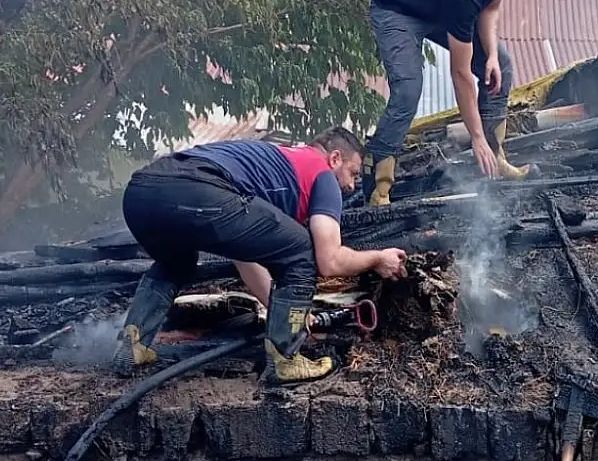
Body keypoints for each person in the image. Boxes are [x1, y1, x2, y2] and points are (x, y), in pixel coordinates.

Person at [111, 127, 409, 385]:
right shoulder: (321, 173)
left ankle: (135, 343)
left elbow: (246, 257)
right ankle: (286, 360)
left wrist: (288, 318)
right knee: (302, 247)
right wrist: (378, 258)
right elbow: (329, 261)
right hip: (197, 188)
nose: (352, 185)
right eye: (353, 173)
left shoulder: (273, 166)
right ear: (334, 159)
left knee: (175, 263)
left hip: (142, 194)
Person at [362, 0, 548, 206]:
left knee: (503, 66)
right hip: (397, 7)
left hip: (438, 6)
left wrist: (492, 56)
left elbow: (490, 5)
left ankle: (495, 158)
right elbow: (460, 74)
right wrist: (475, 137)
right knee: (409, 89)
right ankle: (378, 186)